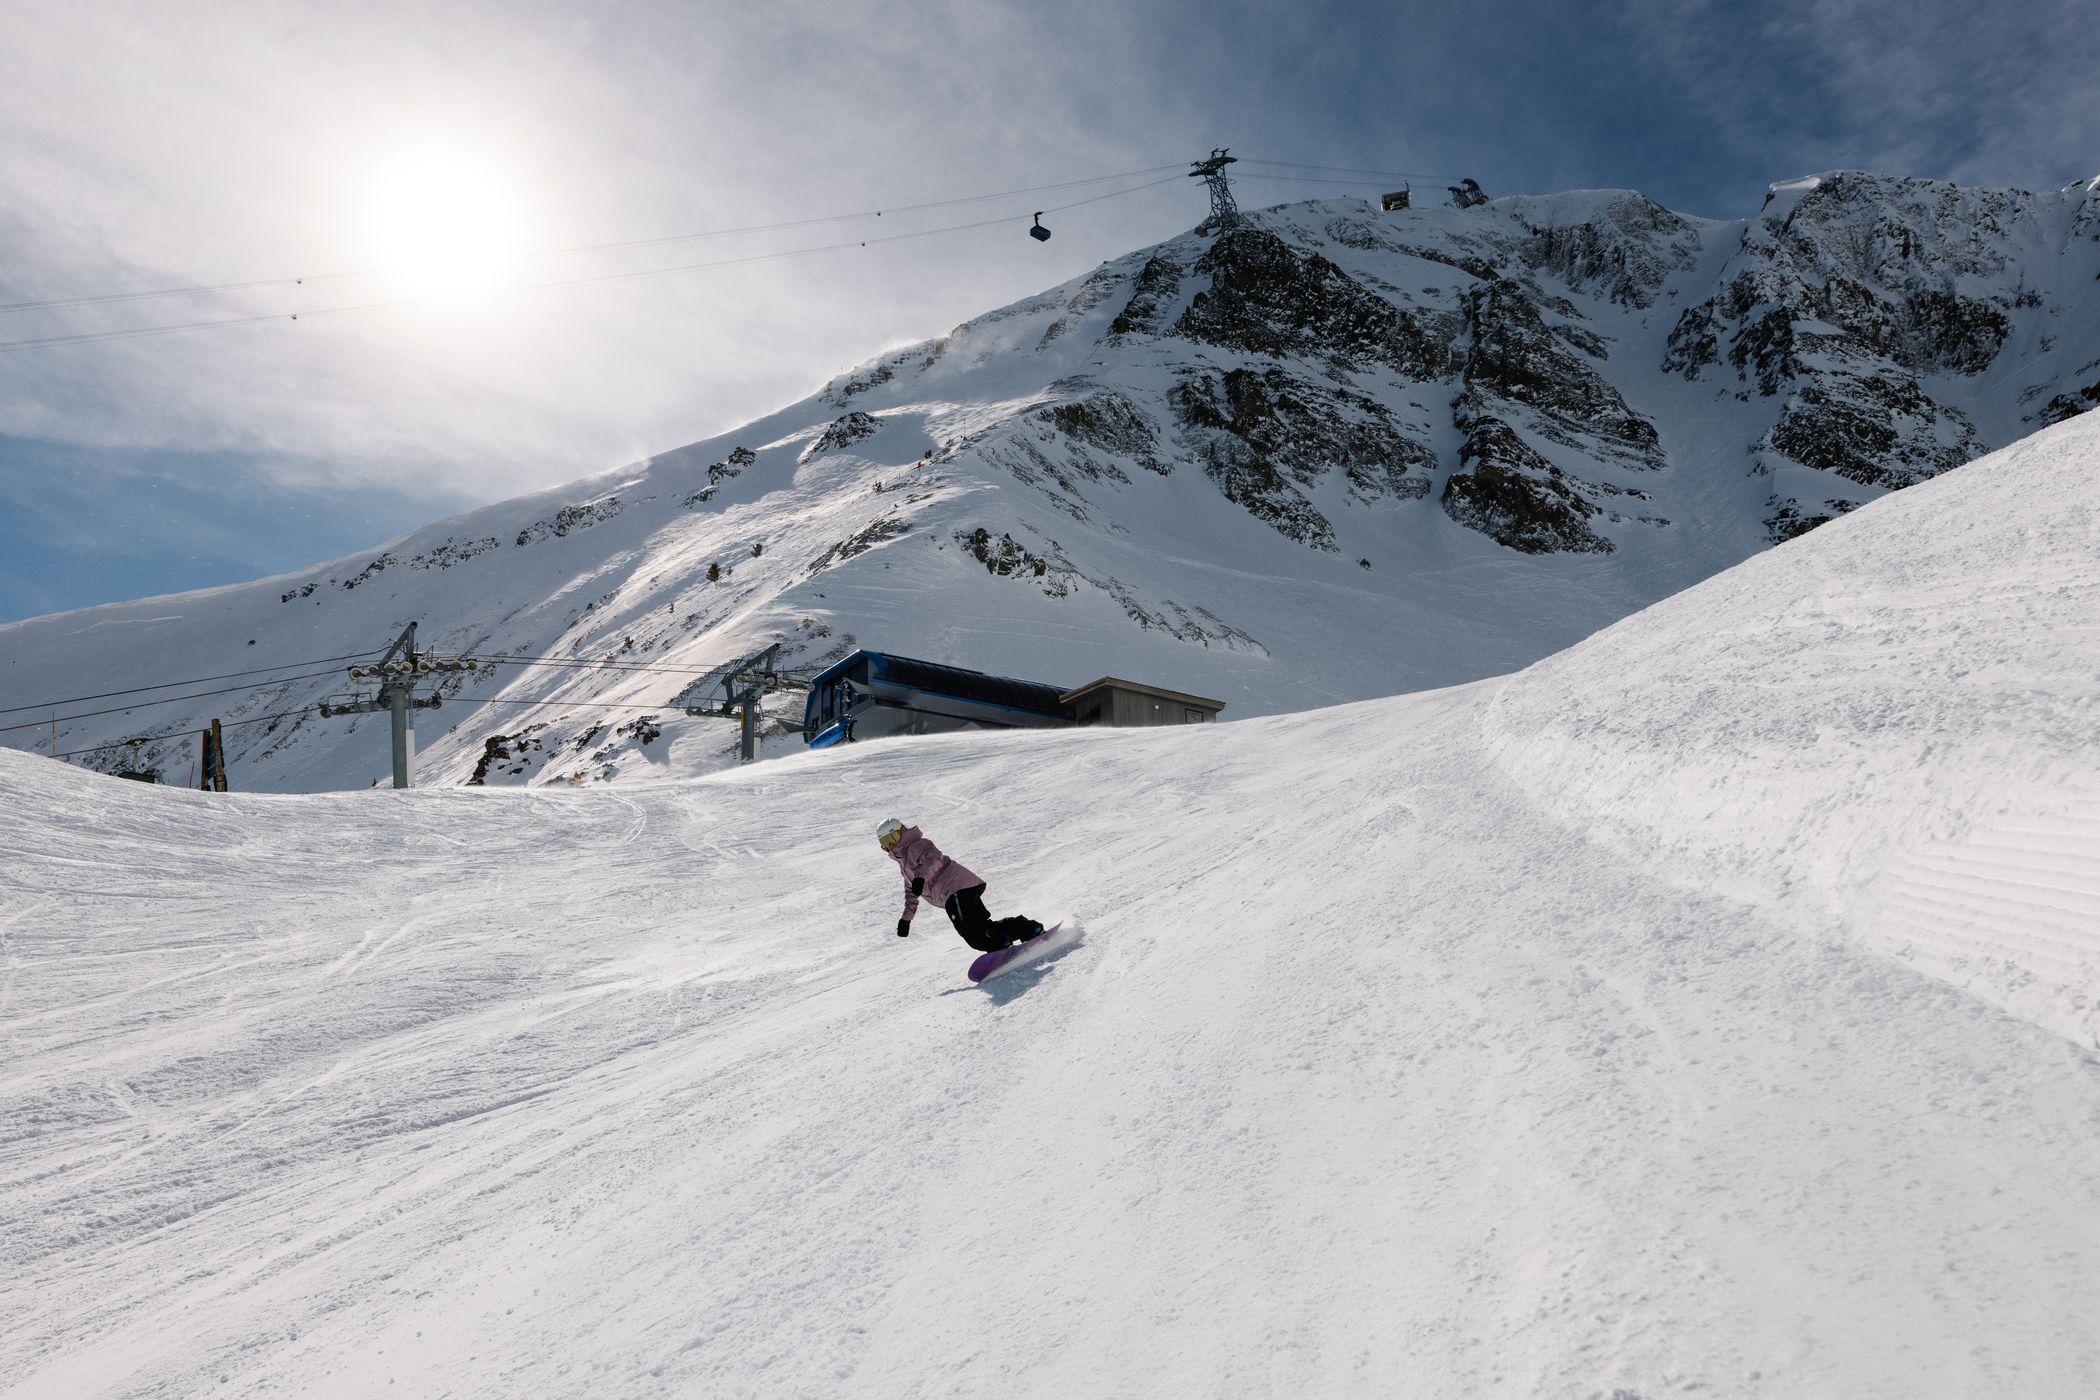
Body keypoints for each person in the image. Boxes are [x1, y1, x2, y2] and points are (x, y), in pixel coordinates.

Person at [877, 818, 1043, 952]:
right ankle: (1026, 928)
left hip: (954, 889)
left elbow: (934, 859)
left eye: (891, 839)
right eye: (885, 843)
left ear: (900, 833)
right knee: (983, 927)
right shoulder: (904, 864)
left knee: (973, 934)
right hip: (958, 890)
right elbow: (911, 892)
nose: (891, 846)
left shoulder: (917, 845)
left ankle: (1001, 945)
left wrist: (920, 878)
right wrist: (906, 919)